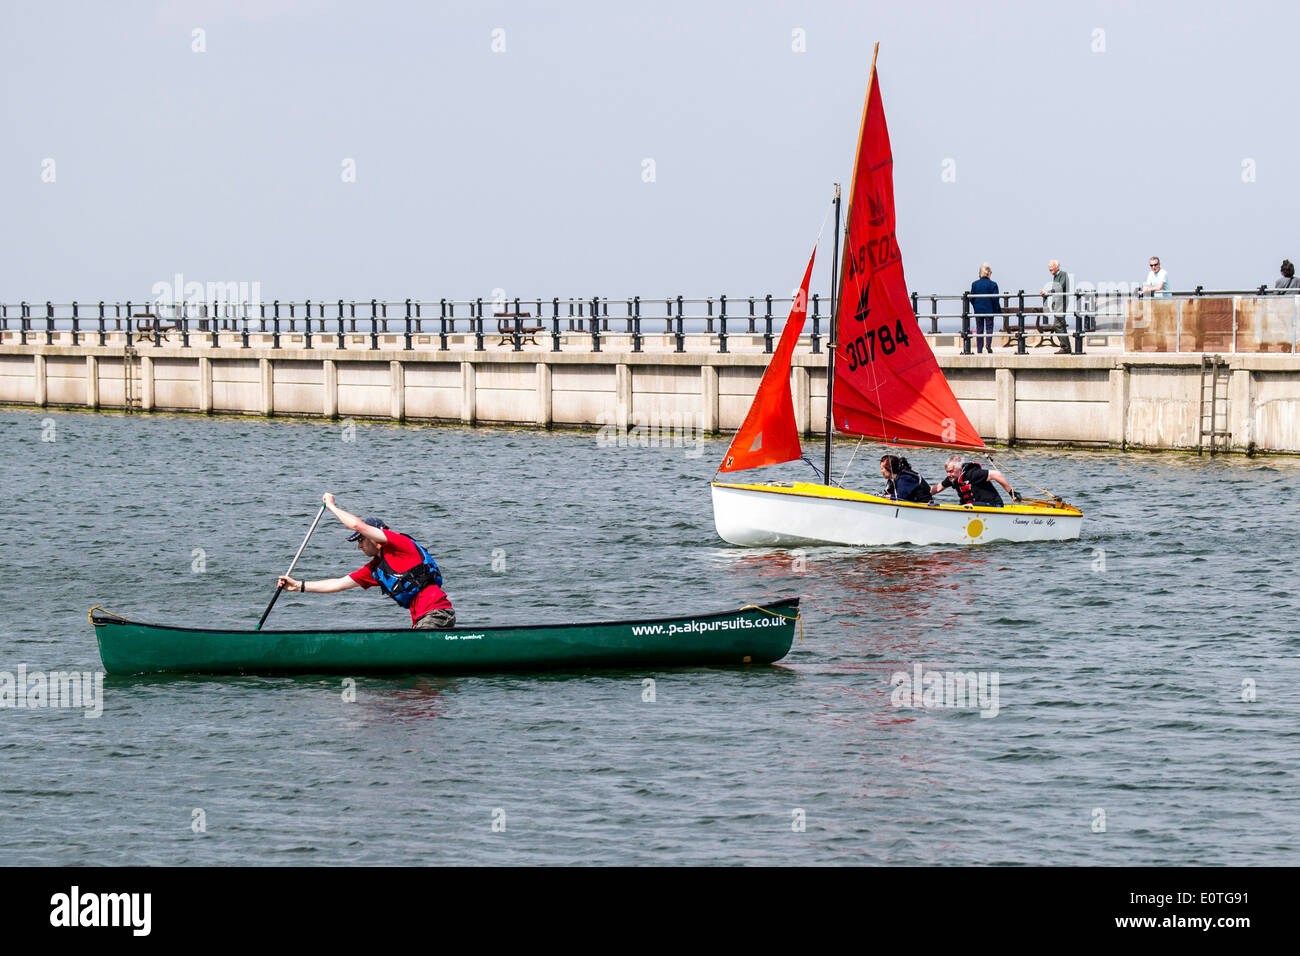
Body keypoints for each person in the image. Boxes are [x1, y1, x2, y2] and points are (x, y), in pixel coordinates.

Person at [277, 493, 456, 629]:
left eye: (361, 540)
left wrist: (331, 506)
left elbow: (357, 525)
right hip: (421, 619)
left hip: (437, 614)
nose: (359, 546)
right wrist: (297, 586)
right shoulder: (375, 569)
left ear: (375, 539)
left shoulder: (400, 545)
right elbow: (338, 584)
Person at [930, 454, 1019, 507]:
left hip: (993, 505)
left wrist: (1011, 492)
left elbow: (997, 474)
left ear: (959, 469)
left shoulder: (973, 474)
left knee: (967, 507)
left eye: (951, 471)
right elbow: (937, 488)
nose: (948, 475)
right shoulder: (953, 478)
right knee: (962, 507)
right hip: (971, 507)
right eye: (947, 472)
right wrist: (922, 493)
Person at [1040, 260, 1071, 354]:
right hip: (1057, 304)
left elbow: (1059, 287)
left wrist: (1047, 292)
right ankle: (1066, 348)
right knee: (1061, 325)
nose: (1050, 269)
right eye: (1049, 268)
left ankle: (1065, 347)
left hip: (1061, 304)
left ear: (1057, 266)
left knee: (1057, 325)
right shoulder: (1056, 276)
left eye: (1051, 267)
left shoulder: (1063, 274)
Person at [969, 263, 999, 353]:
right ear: (988, 273)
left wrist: (975, 306)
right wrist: (995, 309)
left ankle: (979, 349)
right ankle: (988, 344)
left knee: (979, 329)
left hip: (978, 310)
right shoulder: (993, 284)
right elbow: (995, 299)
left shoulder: (975, 284)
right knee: (989, 327)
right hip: (989, 309)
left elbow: (971, 298)